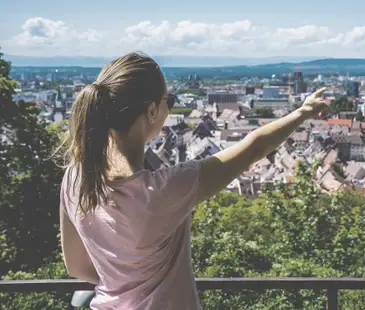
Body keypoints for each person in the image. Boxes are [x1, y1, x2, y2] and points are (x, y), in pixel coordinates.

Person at [57, 52, 329, 310]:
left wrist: (123, 281)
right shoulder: (165, 189)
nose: (170, 108)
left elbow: (77, 267)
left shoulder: (75, 177)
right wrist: (302, 113)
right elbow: (254, 148)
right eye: (169, 101)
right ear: (151, 111)